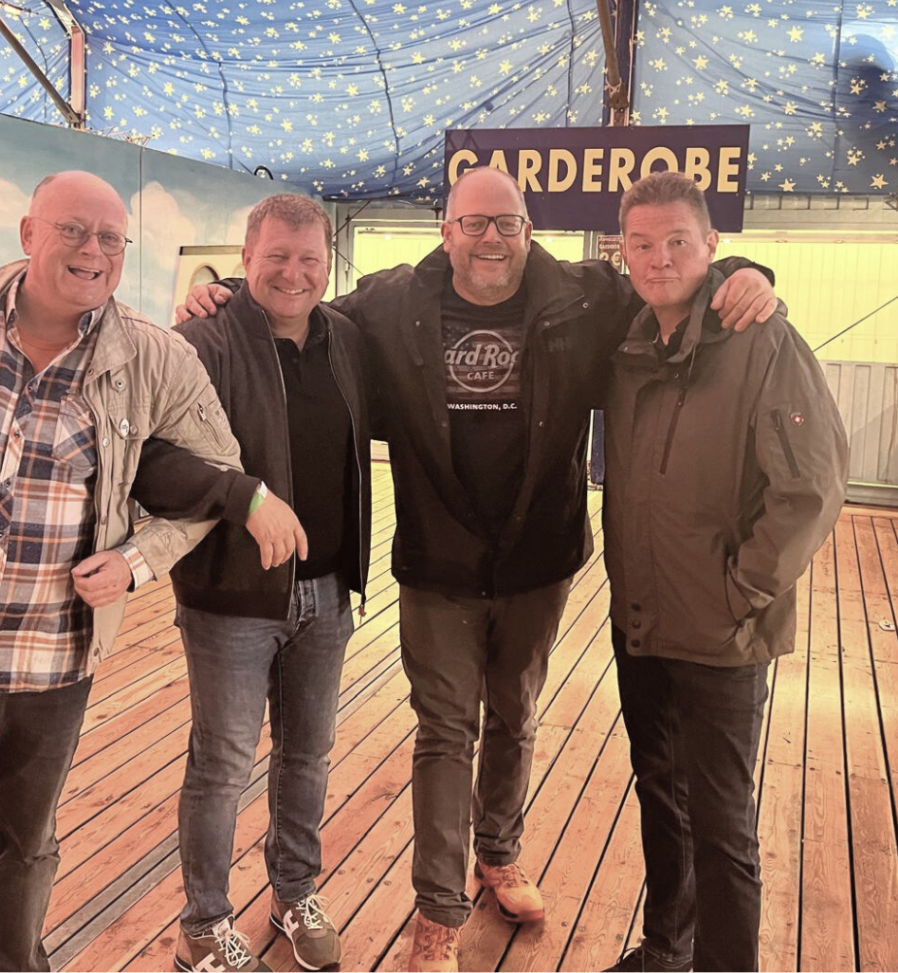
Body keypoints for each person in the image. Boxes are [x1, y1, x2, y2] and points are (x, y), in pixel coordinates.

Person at [178, 165, 777, 973]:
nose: (491, 238)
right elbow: (294, 301)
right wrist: (221, 294)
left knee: (516, 717)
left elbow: (672, 278)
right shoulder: (390, 302)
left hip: (538, 559)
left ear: (528, 230)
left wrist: (743, 271)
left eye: (507, 223)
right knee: (445, 731)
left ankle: (498, 853)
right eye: (474, 223)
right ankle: (439, 910)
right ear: (446, 229)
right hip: (439, 563)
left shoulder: (584, 296)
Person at [0, 170, 303, 973]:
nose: (93, 251)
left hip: (52, 655)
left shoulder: (151, 354)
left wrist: (137, 563)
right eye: (73, 230)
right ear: (28, 232)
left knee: (27, 850)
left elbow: (218, 471)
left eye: (111, 238)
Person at [601, 171, 848, 973]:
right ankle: (667, 950)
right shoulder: (630, 346)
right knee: (660, 800)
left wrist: (741, 591)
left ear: (712, 245)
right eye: (643, 243)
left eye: (679, 241)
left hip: (722, 633)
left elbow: (812, 487)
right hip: (642, 623)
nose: (660, 259)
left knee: (721, 827)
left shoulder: (763, 340)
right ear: (622, 251)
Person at [134, 193, 371, 973]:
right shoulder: (199, 341)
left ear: (329, 264)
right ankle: (204, 923)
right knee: (223, 764)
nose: (294, 274)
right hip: (230, 599)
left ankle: (294, 892)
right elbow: (152, 463)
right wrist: (244, 497)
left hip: (326, 593)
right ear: (245, 258)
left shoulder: (343, 339)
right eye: (276, 258)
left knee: (308, 754)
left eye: (310, 259)